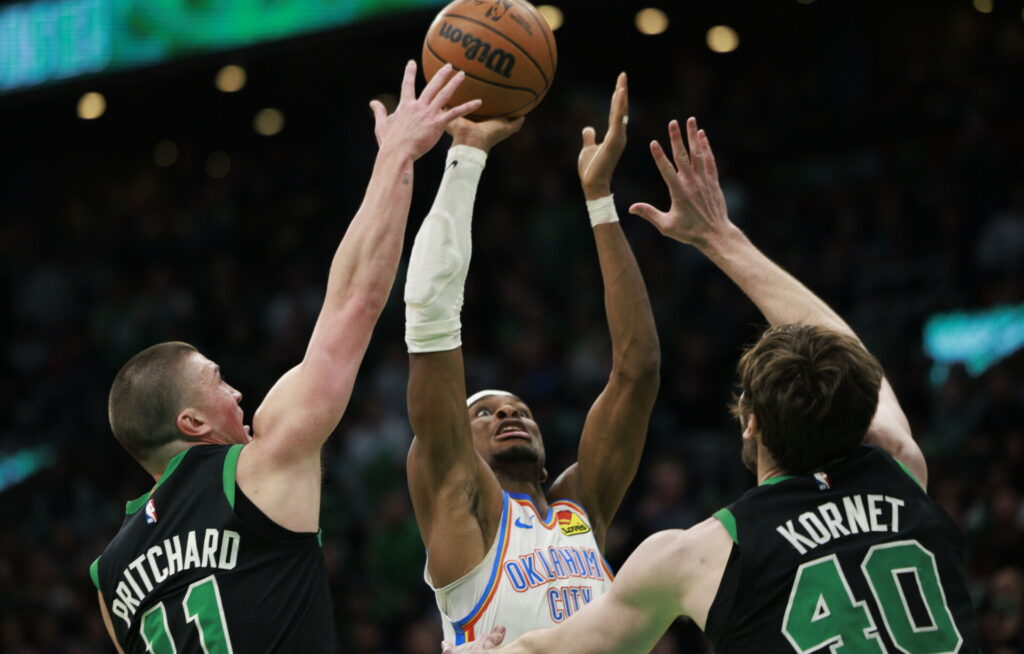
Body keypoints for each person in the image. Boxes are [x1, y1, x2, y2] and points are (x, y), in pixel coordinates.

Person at [444, 118, 980, 653]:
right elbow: (854, 359)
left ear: (752, 421)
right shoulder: (901, 471)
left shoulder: (702, 553)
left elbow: (544, 649)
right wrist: (723, 239)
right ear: (858, 408)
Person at [88, 61, 481, 654]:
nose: (238, 394)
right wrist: (398, 154)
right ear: (191, 424)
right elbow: (355, 301)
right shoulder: (255, 467)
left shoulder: (107, 575)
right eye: (218, 383)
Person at [403, 73, 661, 645]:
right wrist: (466, 156)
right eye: (485, 412)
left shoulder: (578, 513)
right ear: (456, 441)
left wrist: (599, 201)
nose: (507, 414)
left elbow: (637, 370)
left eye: (517, 407)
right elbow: (428, 319)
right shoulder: (459, 504)